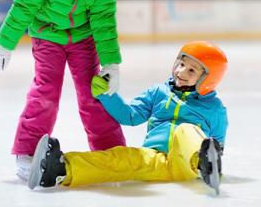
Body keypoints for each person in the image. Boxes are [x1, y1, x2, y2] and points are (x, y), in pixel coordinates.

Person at [0, 0, 125, 180]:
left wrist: (110, 63)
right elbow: (23, 8)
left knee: (94, 94)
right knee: (46, 92)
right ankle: (27, 152)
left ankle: (111, 151)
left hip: (83, 39)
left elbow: (104, 20)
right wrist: (5, 43)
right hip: (47, 36)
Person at [27, 41, 229, 194]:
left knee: (186, 130)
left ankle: (204, 163)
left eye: (192, 70)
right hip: (154, 158)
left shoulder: (214, 108)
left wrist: (209, 158)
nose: (181, 71)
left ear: (208, 79)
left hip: (187, 163)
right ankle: (61, 168)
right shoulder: (159, 92)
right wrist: (108, 95)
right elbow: (130, 115)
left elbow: (217, 144)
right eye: (181, 63)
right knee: (122, 157)